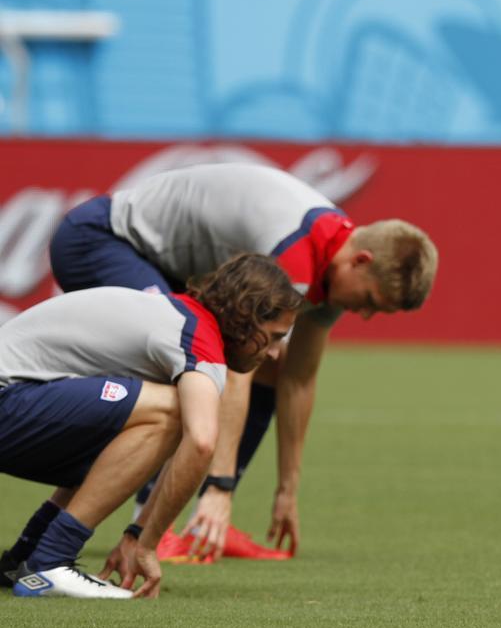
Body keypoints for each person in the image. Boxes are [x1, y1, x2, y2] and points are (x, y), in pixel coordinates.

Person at [47, 162, 438, 561]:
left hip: (164, 267)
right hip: (98, 239)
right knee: (184, 367)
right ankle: (150, 524)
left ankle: (204, 523)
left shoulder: (335, 269)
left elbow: (298, 380)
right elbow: (235, 373)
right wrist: (219, 485)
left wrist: (288, 490)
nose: (366, 314)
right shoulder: (295, 254)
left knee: (269, 362)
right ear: (362, 261)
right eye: (371, 302)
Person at [0, 254, 301, 598]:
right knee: (175, 411)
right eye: (275, 336)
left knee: (135, 422)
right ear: (246, 318)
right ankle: (51, 562)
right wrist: (148, 545)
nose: (277, 353)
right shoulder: (196, 337)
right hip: (9, 402)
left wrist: (136, 533)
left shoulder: (177, 315)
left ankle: (25, 555)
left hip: (17, 402)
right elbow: (201, 441)